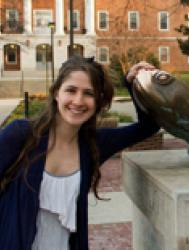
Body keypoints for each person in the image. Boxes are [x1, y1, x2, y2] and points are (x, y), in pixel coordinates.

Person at [0, 55, 159, 250]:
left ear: (98, 101)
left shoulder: (95, 144)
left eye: (89, 93)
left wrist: (132, 84)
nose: (78, 100)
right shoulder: (21, 134)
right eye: (71, 90)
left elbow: (148, 127)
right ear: (57, 93)